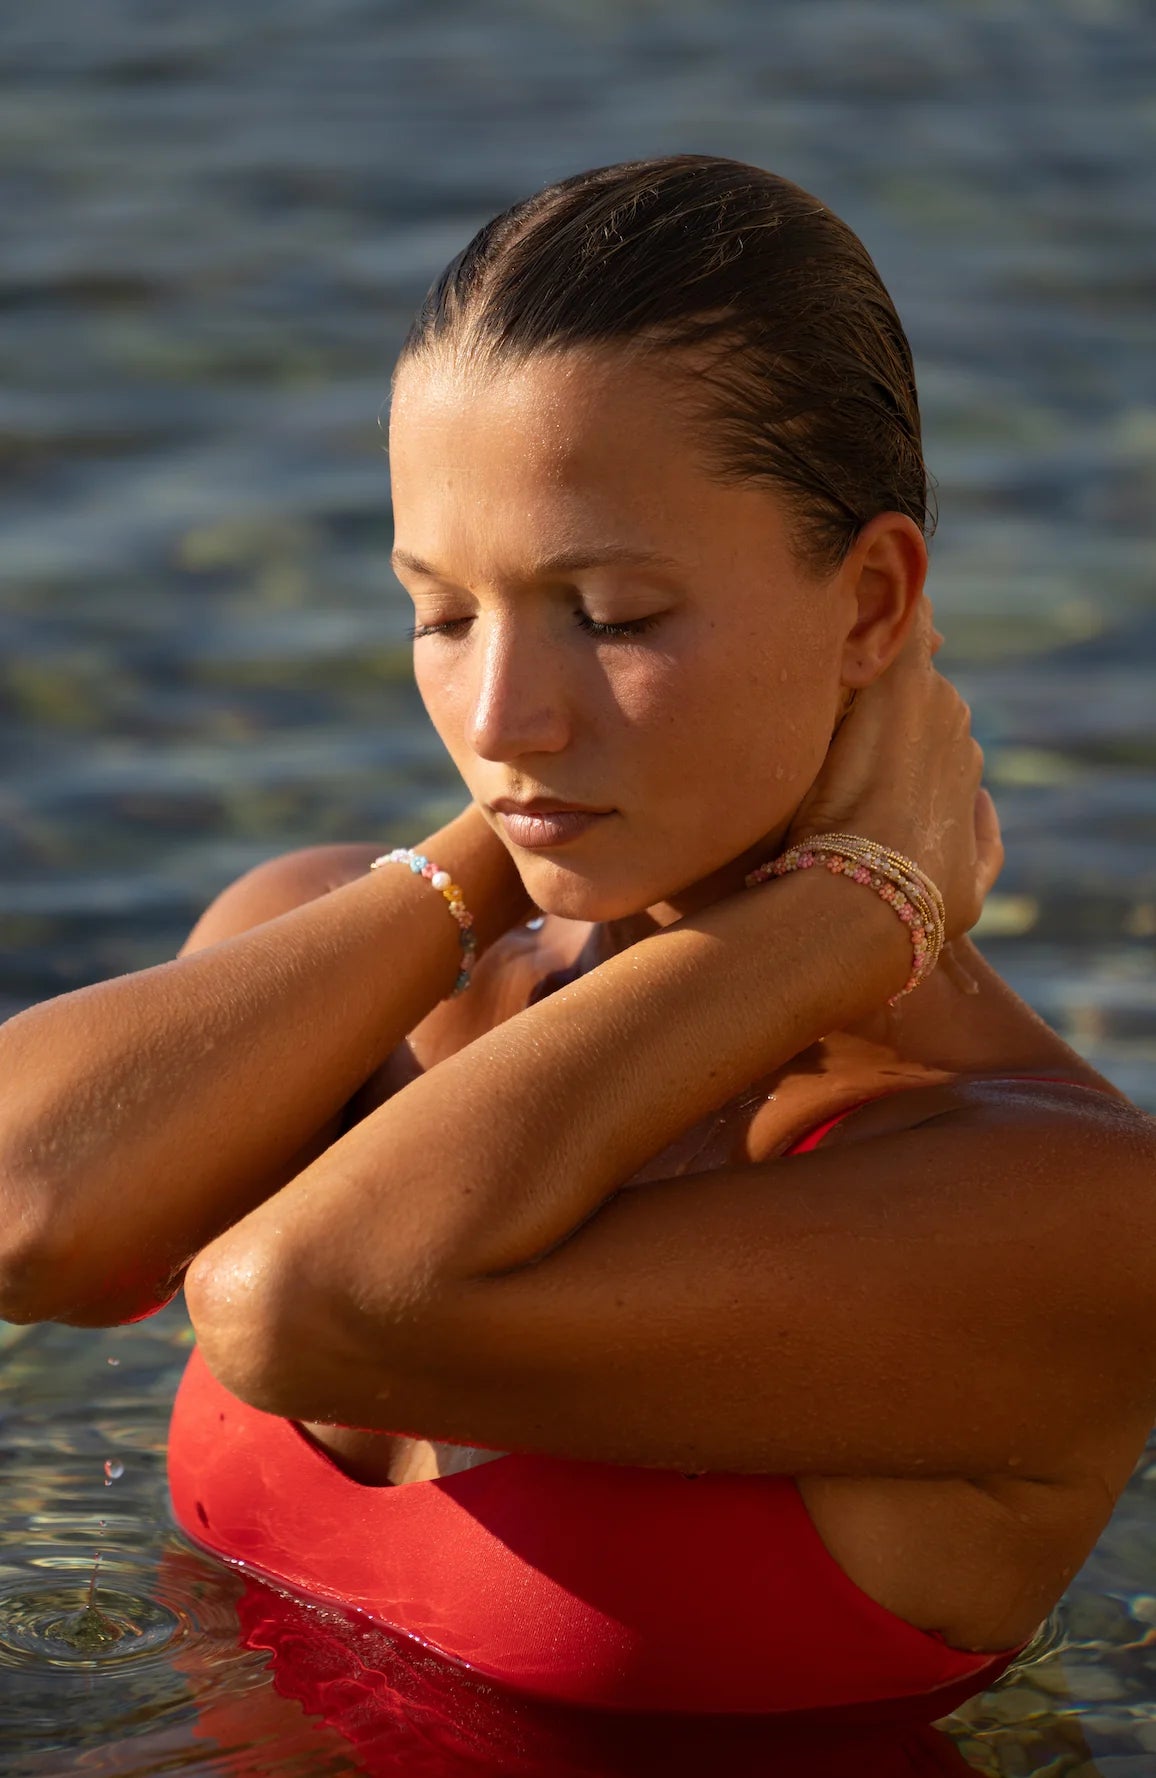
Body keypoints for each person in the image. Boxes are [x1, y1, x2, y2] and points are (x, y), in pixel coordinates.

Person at [1, 157, 1153, 1733]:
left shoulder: (1065, 1206)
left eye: (611, 615)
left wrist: (832, 920)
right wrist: (491, 861)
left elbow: (300, 1304)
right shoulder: (354, 956)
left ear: (874, 603)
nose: (498, 721)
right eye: (443, 611)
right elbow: (25, 1213)